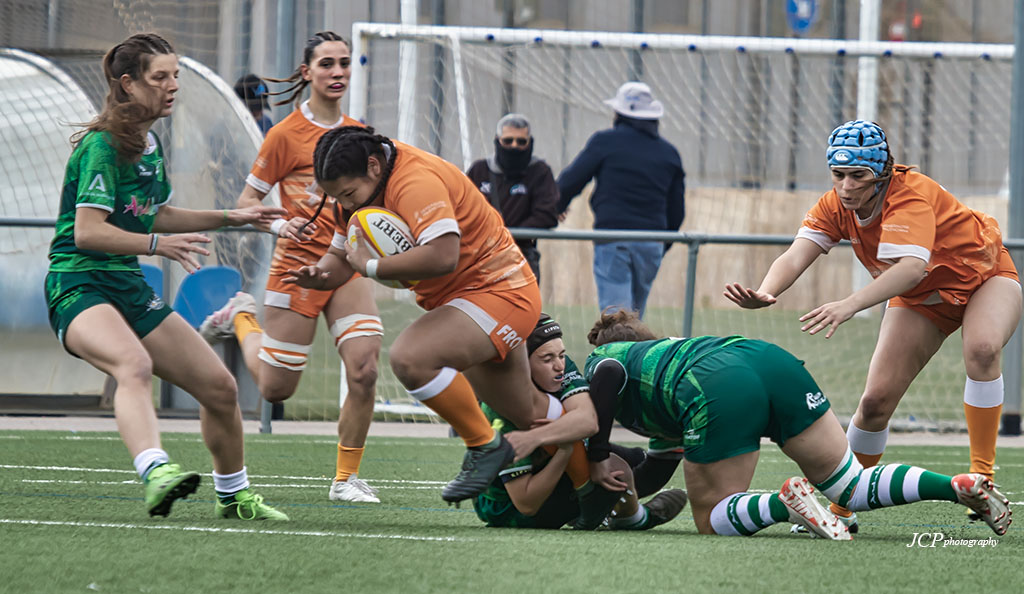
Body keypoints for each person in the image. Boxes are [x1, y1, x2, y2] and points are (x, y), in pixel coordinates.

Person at [724, 119, 1022, 529]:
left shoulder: (910, 198)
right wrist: (767, 291)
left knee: (983, 349)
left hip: (985, 278)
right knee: (875, 402)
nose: (846, 186)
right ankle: (841, 509)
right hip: (924, 301)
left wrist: (849, 304)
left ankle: (982, 478)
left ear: (882, 173)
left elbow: (912, 269)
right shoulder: (834, 204)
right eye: (838, 174)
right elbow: (797, 254)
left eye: (857, 176)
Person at [44, 33, 288, 520]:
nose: (173, 85)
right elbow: (90, 233)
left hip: (126, 284)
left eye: (175, 74)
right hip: (78, 282)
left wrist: (229, 217)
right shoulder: (102, 146)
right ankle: (156, 470)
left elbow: (150, 214)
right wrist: (158, 246)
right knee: (132, 364)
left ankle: (233, 495)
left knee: (219, 387)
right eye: (161, 77)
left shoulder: (148, 142)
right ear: (129, 85)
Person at [282, 124, 552, 506]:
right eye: (336, 197)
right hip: (467, 302)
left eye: (347, 194)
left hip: (501, 291)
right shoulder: (355, 195)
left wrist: (372, 267)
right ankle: (607, 487)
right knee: (531, 415)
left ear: (374, 166)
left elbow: (443, 256)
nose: (344, 205)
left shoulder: (415, 181)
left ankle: (485, 446)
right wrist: (320, 276)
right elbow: (342, 259)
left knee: (411, 358)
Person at [581, 311, 1011, 539]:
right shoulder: (660, 380)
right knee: (850, 487)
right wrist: (618, 504)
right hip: (769, 360)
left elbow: (606, 378)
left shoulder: (607, 360)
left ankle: (782, 504)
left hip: (717, 382)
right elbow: (653, 472)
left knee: (712, 517)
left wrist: (596, 457)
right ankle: (955, 486)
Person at [199, 32, 385, 504]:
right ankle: (240, 317)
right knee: (278, 389)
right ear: (307, 72)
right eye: (327, 64)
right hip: (297, 267)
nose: (337, 72)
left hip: (345, 263)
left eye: (344, 63)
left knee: (364, 370)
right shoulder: (283, 135)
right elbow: (247, 203)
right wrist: (281, 228)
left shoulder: (359, 132)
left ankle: (345, 480)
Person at [473, 314, 688, 529]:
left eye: (562, 355)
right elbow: (526, 504)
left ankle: (604, 510)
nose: (559, 366)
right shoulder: (500, 409)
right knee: (615, 471)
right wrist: (565, 452)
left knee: (624, 460)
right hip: (508, 508)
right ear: (522, 366)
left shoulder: (560, 367)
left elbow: (587, 421)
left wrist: (537, 438)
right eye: (547, 359)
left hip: (551, 463)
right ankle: (635, 518)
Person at [556, 82, 685, 319]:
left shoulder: (605, 142)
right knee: (635, 314)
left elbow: (571, 180)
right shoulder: (669, 153)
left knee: (617, 318)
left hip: (613, 238)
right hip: (652, 243)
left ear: (619, 114)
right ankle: (634, 355)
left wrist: (554, 207)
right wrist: (662, 242)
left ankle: (618, 356)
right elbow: (677, 209)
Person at [465, 113, 559, 284]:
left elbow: (547, 214)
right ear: (497, 140)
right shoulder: (479, 170)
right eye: (508, 141)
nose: (514, 146)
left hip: (521, 254)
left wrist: (507, 236)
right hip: (480, 254)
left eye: (521, 142)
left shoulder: (540, 171)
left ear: (530, 143)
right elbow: (462, 208)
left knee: (522, 308)